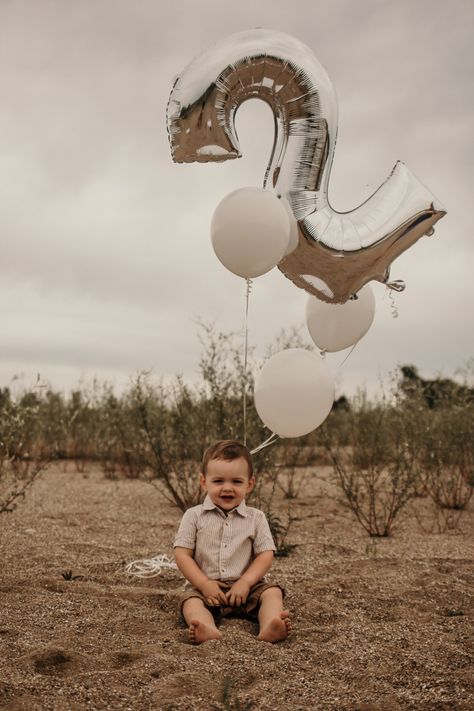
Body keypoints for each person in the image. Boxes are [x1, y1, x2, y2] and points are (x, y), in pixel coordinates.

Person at [173, 440, 291, 644]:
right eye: (218, 481)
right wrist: (203, 584)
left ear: (250, 484)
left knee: (272, 592)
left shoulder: (256, 517)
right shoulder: (193, 516)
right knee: (190, 602)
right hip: (207, 587)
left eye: (236, 482)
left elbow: (266, 554)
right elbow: (182, 554)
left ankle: (271, 624)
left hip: (247, 586)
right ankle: (206, 628)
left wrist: (246, 582)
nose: (227, 488)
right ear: (204, 482)